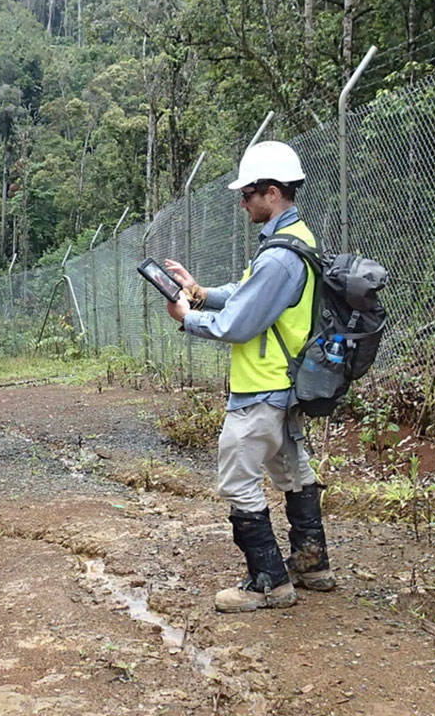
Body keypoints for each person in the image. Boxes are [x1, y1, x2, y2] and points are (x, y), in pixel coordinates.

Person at [162, 141, 335, 614]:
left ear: (273, 192)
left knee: (238, 479)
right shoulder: (293, 241)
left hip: (261, 388)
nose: (243, 203)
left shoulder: (280, 256)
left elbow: (240, 323)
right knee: (292, 471)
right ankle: (312, 564)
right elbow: (246, 294)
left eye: (249, 193)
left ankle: (268, 583)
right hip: (286, 383)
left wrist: (186, 316)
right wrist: (199, 292)